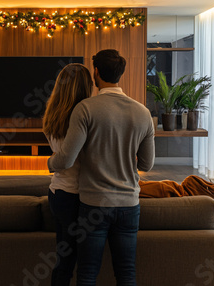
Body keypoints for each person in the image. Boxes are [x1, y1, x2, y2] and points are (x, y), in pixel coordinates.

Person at [48, 49, 155, 286]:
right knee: (127, 273)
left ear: (96, 72)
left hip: (94, 204)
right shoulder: (143, 113)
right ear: (121, 73)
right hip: (129, 204)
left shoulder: (85, 109)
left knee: (87, 274)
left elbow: (66, 159)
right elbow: (147, 163)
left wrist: (49, 163)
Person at [43, 63, 93, 286]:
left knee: (64, 258)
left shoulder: (52, 115)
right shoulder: (86, 116)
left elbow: (60, 156)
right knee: (78, 260)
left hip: (58, 192)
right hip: (78, 195)